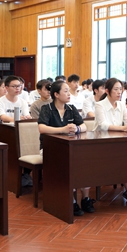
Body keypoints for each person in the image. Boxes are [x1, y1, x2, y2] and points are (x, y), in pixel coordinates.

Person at [37, 81, 90, 216]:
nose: (69, 94)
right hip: (50, 148)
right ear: (56, 94)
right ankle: (71, 201)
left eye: (68, 91)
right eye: (65, 91)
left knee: (85, 164)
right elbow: (42, 128)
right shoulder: (47, 108)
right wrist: (63, 129)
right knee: (67, 166)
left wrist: (77, 129)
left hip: (71, 147)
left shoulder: (71, 108)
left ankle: (86, 199)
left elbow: (84, 126)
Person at [94, 78, 127, 206]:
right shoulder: (100, 105)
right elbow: (103, 125)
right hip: (101, 144)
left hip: (118, 142)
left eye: (120, 89)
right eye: (116, 89)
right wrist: (122, 128)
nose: (119, 92)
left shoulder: (121, 104)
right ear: (107, 91)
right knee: (124, 159)